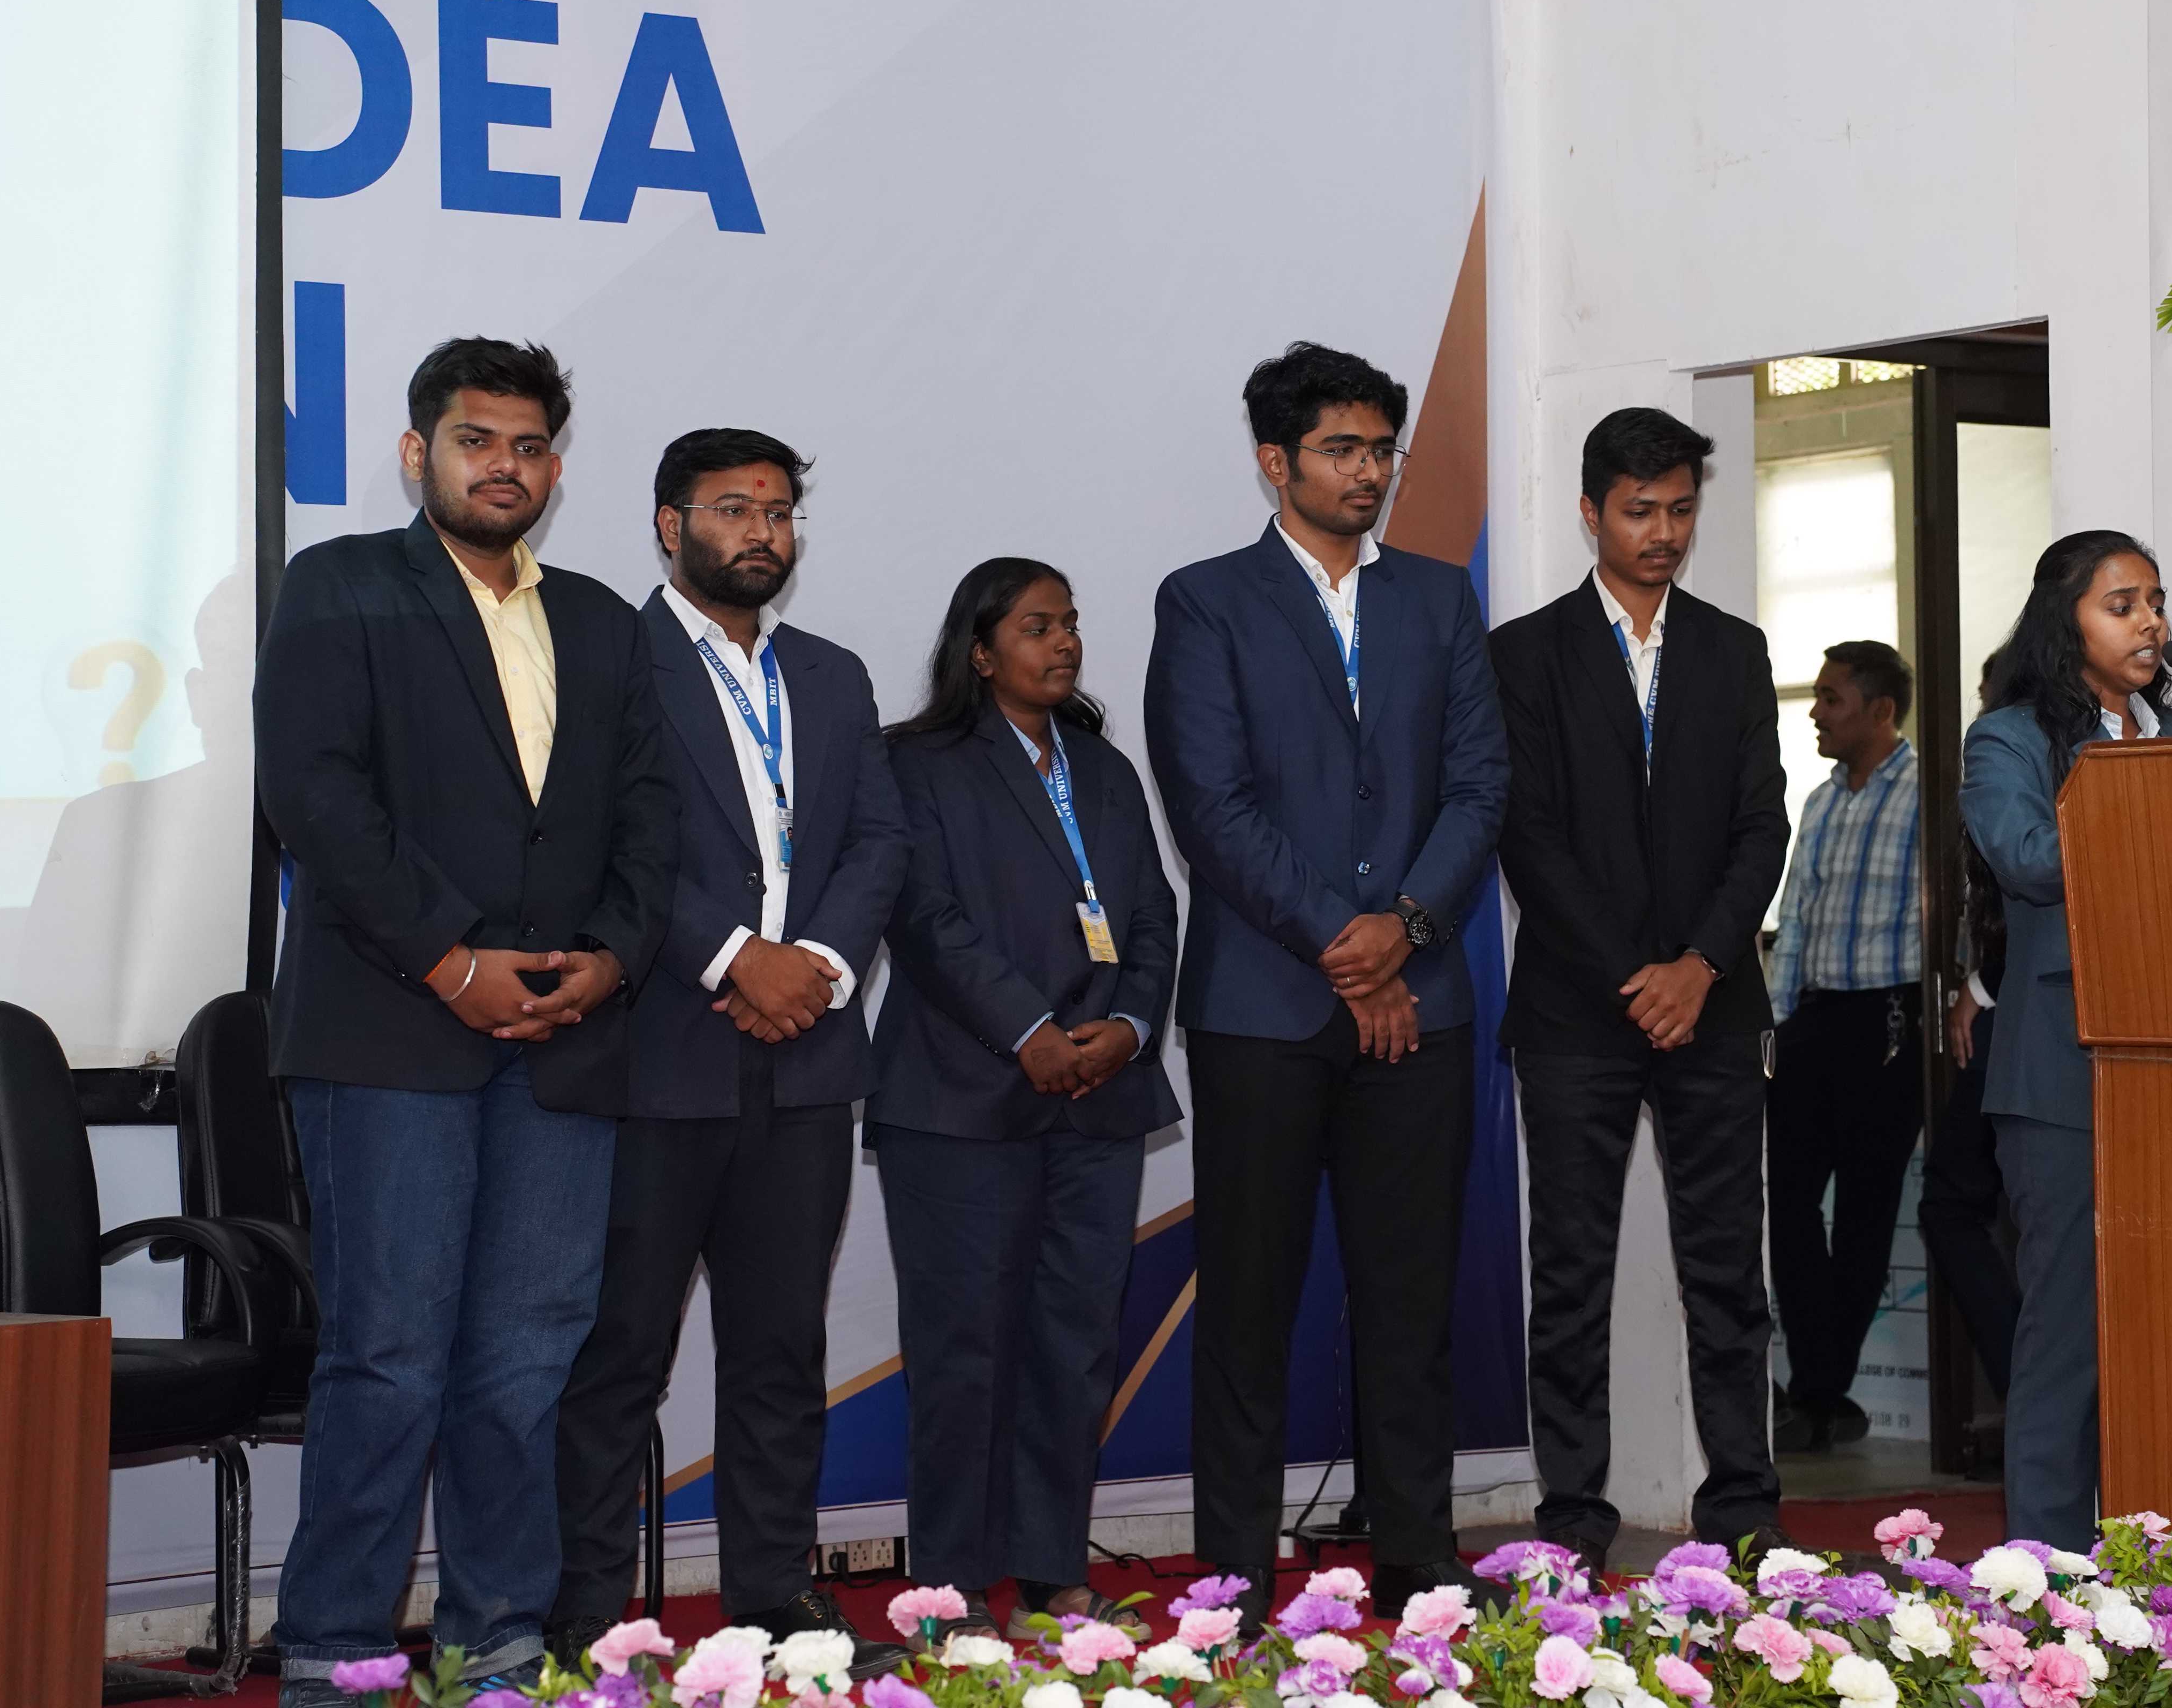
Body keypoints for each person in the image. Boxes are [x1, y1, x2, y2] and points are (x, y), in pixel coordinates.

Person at [255, 338, 675, 1706]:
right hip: (392, 1031)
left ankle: (496, 1635)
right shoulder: (342, 585)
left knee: (527, 1358)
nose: (505, 465)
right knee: (389, 1355)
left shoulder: (602, 619)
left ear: (557, 466)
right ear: (415, 453)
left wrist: (610, 960)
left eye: (530, 445)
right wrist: (450, 961)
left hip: (567, 1040)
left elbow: (652, 815)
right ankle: (336, 1646)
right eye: (476, 439)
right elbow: (316, 796)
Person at [1143, 341, 1508, 1623]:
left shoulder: (1438, 597)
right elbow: (1211, 803)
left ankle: (1416, 1554)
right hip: (1266, 1005)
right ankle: (1235, 1575)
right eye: (1341, 448)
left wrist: (1402, 928)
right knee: (1248, 1301)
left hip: (1424, 996)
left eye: (1380, 449)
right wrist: (1346, 948)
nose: (1368, 471)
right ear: (1275, 460)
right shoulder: (1206, 601)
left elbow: (1481, 786)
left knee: (1412, 1297)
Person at [548, 429, 909, 1669]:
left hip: (805, 1059)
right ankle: (589, 1613)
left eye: (779, 511)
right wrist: (733, 956)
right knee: (618, 1355)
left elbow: (878, 841)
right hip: (660, 1053)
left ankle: (775, 1596)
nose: (762, 531)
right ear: (669, 525)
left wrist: (818, 966)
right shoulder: (610, 656)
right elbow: (602, 838)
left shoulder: (833, 673)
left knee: (780, 1350)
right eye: (733, 508)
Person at [1491, 407, 1789, 1573]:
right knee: (1571, 1270)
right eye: (1639, 511)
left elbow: (1763, 827)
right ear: (1590, 511)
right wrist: (1638, 975)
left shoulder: (1734, 649)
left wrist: (1700, 964)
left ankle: (1744, 1508)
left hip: (1714, 1004)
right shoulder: (1525, 654)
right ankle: (1573, 1513)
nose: (1663, 532)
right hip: (1578, 1011)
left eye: (1680, 510)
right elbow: (1528, 836)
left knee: (1727, 1270)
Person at [873, 559, 1180, 1622]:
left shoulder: (1103, 767)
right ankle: (951, 1588)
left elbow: (1151, 918)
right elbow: (924, 918)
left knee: (1073, 1345)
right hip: (962, 1099)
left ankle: (1051, 1572)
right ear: (980, 650)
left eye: (1071, 624)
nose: (1065, 643)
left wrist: (1127, 1029)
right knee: (964, 1353)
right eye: (1038, 626)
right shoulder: (916, 764)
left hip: (1099, 1095)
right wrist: (1029, 1032)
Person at [1961, 529, 2172, 1551]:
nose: (2149, 622)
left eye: (2155, 602)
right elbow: (2024, 857)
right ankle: (2049, 1572)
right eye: (2122, 604)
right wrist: (2147, 801)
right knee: (2066, 1334)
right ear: (2067, 622)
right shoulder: (2009, 740)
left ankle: (2161, 1553)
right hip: (2062, 1071)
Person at [1762, 639, 1924, 1456]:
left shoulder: (1931, 792)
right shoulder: (1822, 800)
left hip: (1889, 1025)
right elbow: (1794, 921)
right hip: (1812, 1023)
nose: (1818, 714)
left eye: (1833, 699)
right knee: (1786, 1204)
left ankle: (1819, 1393)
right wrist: (1777, 1026)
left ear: (1881, 710)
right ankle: (1821, 1385)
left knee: (1864, 1214)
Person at [1917, 656, 2024, 1407]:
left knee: (1955, 1206)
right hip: (2016, 1019)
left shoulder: (2014, 757)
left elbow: (2031, 892)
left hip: (2010, 1020)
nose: (1979, 715)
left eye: (1988, 697)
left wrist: (1979, 988)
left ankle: (2027, 1388)